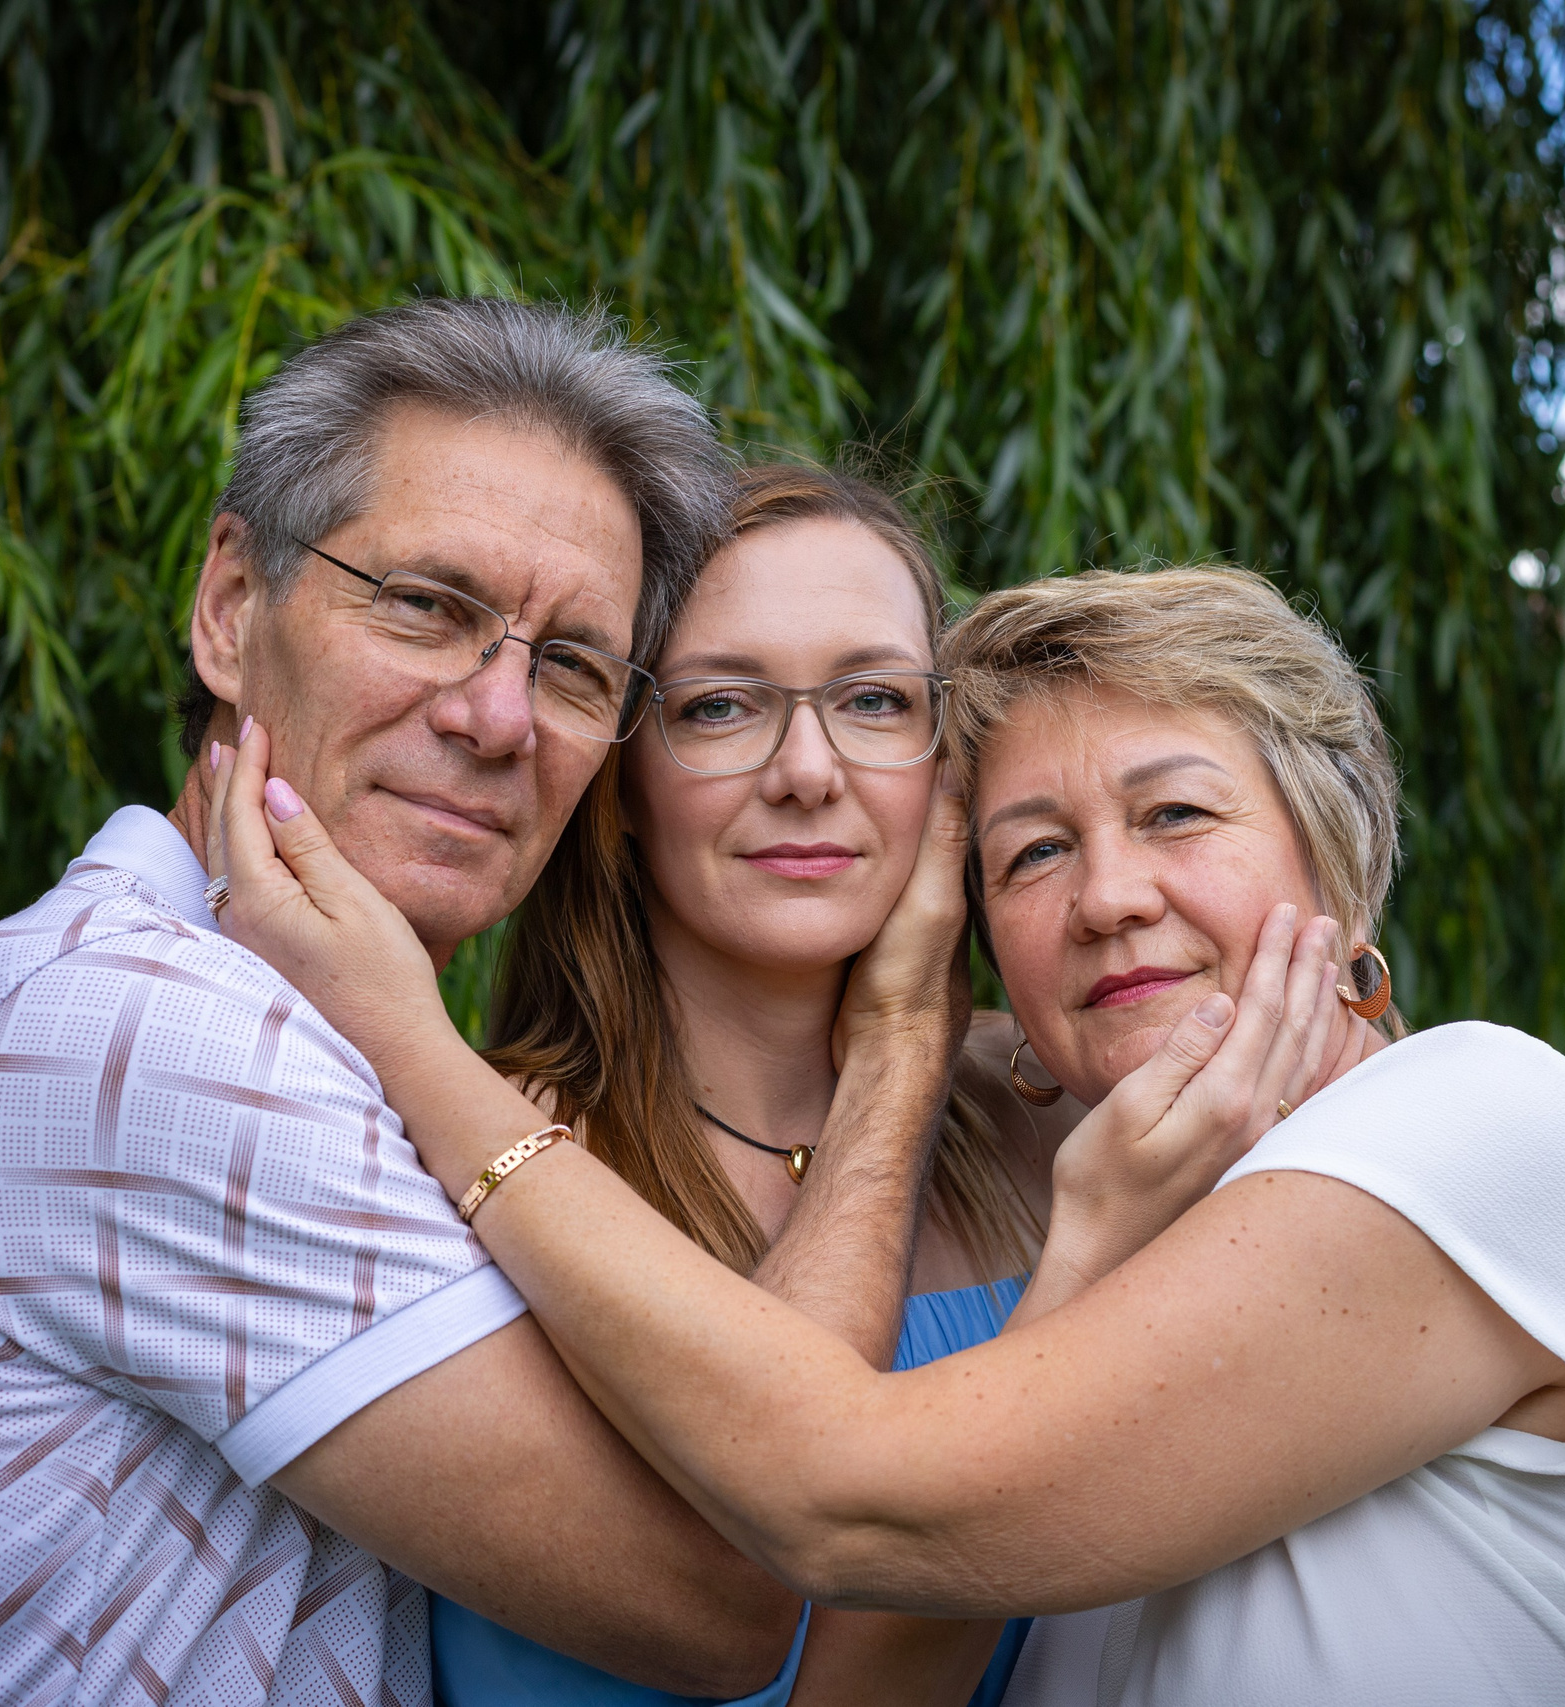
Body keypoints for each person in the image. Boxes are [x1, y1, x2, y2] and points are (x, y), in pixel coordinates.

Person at [202, 563, 1565, 1705]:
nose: (1110, 894)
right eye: (1031, 854)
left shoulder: (1477, 1124)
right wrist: (1078, 1239)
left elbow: (853, 1499)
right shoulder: (1134, 1257)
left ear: (1340, 876)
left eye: (1179, 813)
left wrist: (407, 1041)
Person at [0, 298, 960, 1707]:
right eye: (428, 606)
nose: (496, 716)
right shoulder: (148, 1037)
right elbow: (731, 1593)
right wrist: (896, 1043)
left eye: (570, 665)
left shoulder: (219, 1013)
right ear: (229, 606)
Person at [426, 463, 1113, 1707]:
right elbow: (773, 1535)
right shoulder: (471, 1154)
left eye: (871, 698)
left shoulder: (1056, 1117)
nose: (808, 770)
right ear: (620, 783)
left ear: (944, 768)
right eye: (722, 708)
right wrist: (900, 1045)